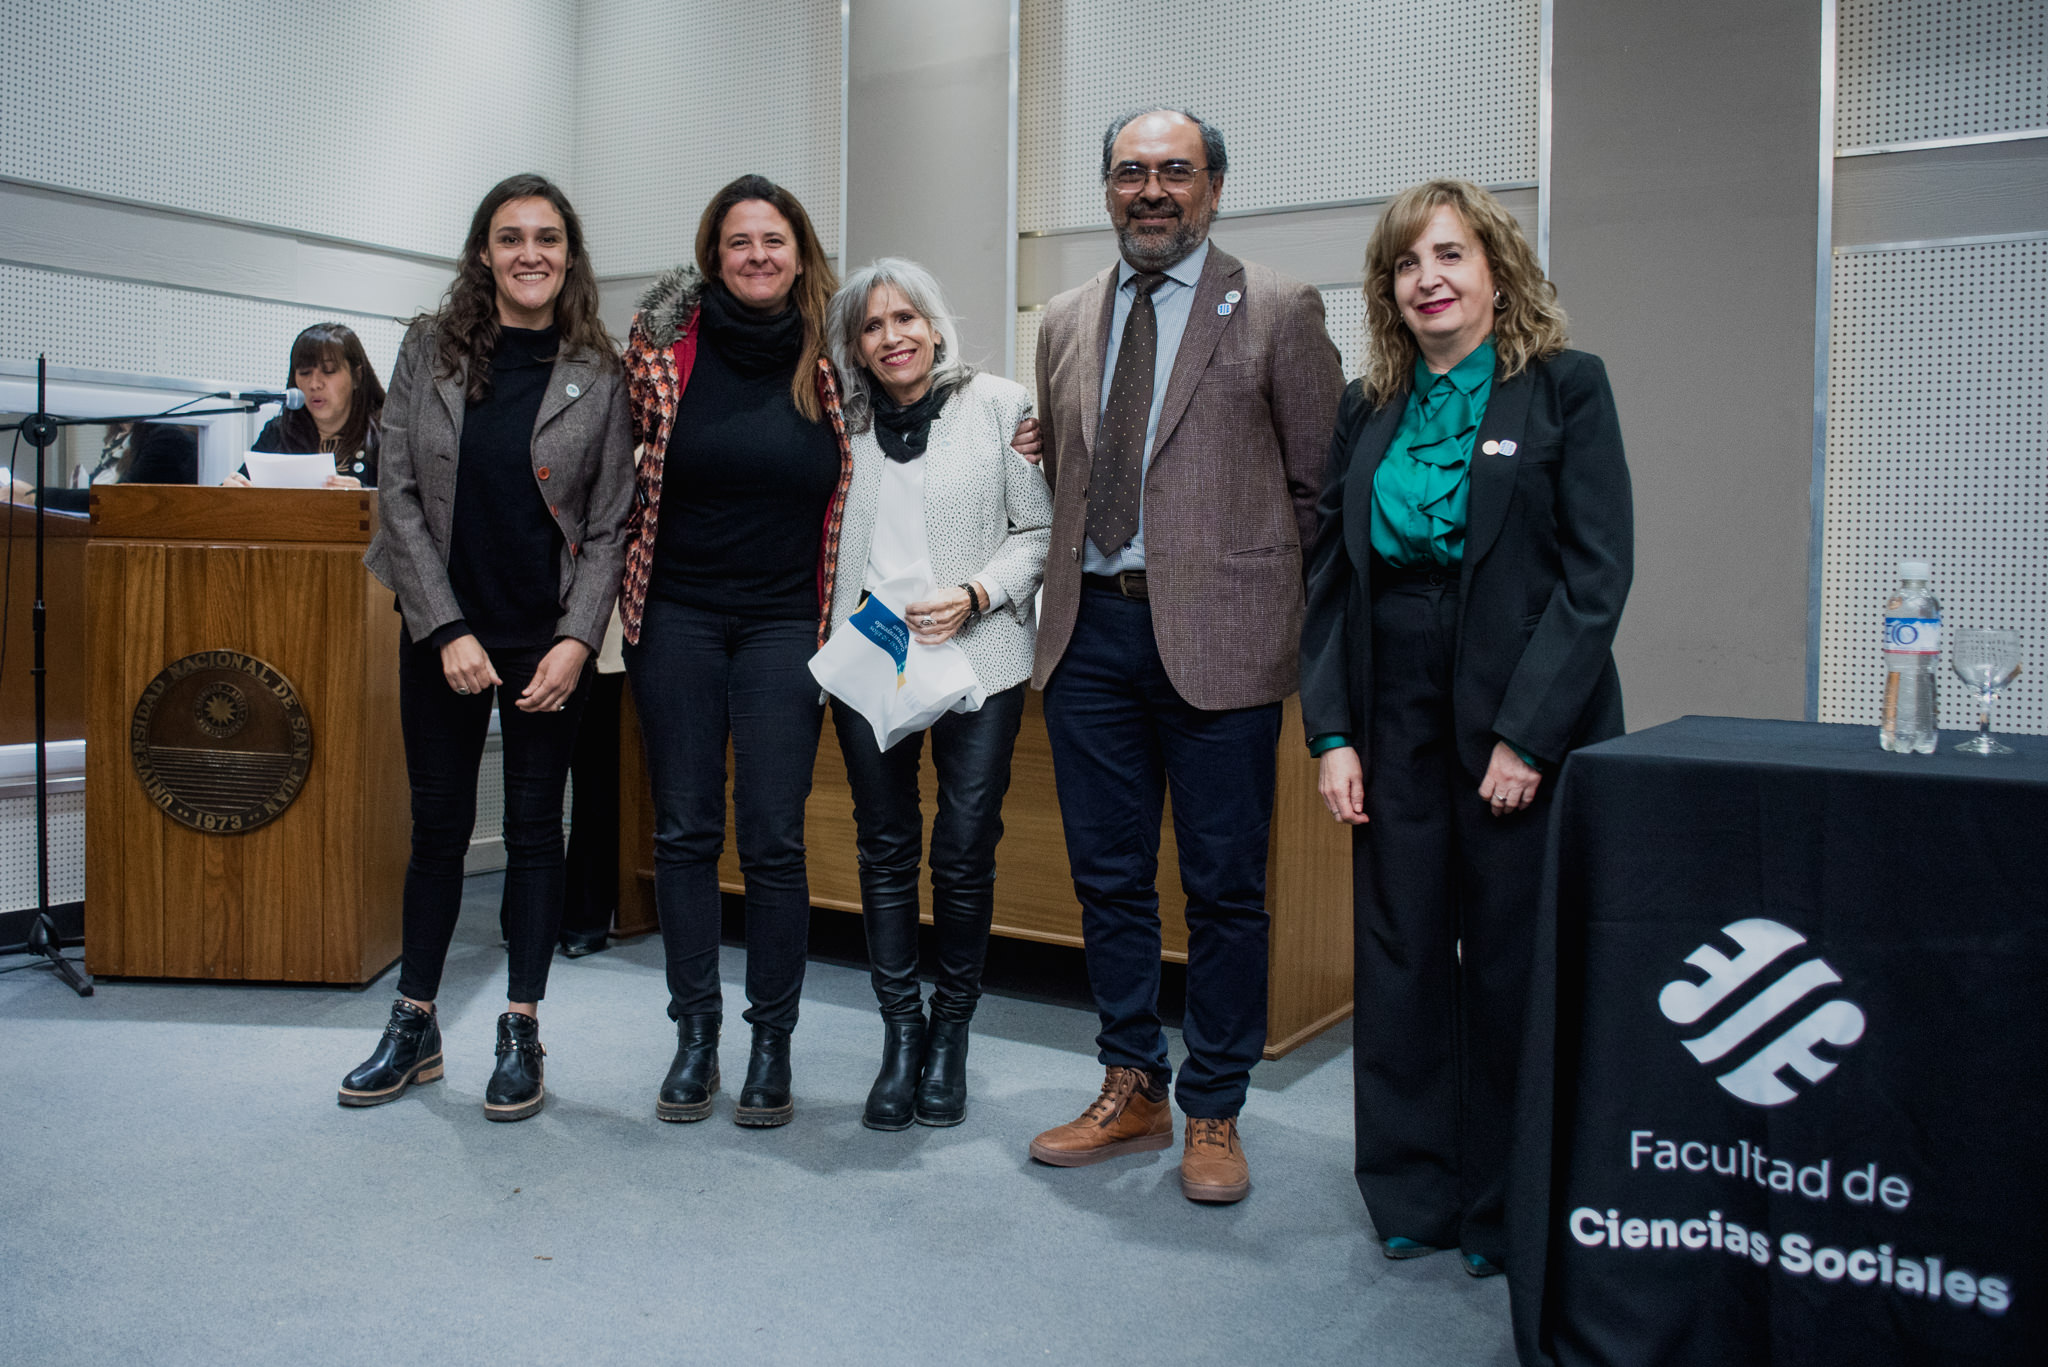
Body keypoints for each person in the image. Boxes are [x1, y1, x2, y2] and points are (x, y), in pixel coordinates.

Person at [1299, 179, 1633, 1275]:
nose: (1426, 279)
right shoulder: (1367, 407)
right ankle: (1408, 1189)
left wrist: (1526, 736)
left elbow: (1594, 578)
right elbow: (1330, 582)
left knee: (1504, 958)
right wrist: (1331, 733)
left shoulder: (1563, 391)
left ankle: (1502, 1201)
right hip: (1387, 697)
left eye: (1448, 255)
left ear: (1496, 269)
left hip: (1514, 704)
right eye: (1404, 263)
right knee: (1395, 952)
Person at [1023, 109, 1343, 1203]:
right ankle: (1130, 1082)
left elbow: (1318, 492)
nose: (1149, 190)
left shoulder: (1278, 309)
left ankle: (1213, 1105)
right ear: (1104, 189)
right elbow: (1067, 470)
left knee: (1223, 888)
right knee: (1106, 878)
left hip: (1220, 641)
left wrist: (1267, 612)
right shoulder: (1063, 318)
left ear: (1213, 185)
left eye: (1173, 171)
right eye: (1128, 172)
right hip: (1089, 634)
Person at [343, 173, 634, 1122]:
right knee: (434, 833)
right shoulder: (427, 348)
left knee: (534, 835)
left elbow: (611, 522)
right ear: (483, 253)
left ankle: (521, 1026)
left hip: (546, 639)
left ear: (569, 254)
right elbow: (400, 499)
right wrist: (447, 628)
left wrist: (577, 642)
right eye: (510, 238)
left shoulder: (600, 365)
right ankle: (414, 1021)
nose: (530, 254)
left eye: (548, 238)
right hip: (444, 635)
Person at [617, 174, 853, 1130]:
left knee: (774, 835)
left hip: (787, 623)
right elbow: (602, 454)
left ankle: (771, 1038)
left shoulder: (838, 354)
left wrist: (1018, 429)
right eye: (739, 241)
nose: (758, 255)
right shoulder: (662, 348)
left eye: (775, 240)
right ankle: (697, 1031)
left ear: (801, 253)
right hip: (674, 611)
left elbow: (927, 404)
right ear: (714, 254)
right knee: (682, 828)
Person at [821, 258, 1052, 1130]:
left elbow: (1038, 527)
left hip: (979, 655)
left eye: (907, 317)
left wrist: (978, 595)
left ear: (935, 324)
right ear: (855, 345)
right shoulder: (839, 426)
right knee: (884, 848)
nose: (893, 337)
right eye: (873, 326)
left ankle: (951, 1035)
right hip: (871, 660)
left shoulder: (999, 406)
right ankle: (900, 1035)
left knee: (962, 847)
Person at [225, 322, 386, 488]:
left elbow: (406, 503)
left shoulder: (386, 435)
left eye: (329, 370)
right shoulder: (279, 432)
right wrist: (230, 492)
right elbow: (240, 494)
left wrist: (365, 498)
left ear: (357, 377)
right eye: (304, 372)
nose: (314, 384)